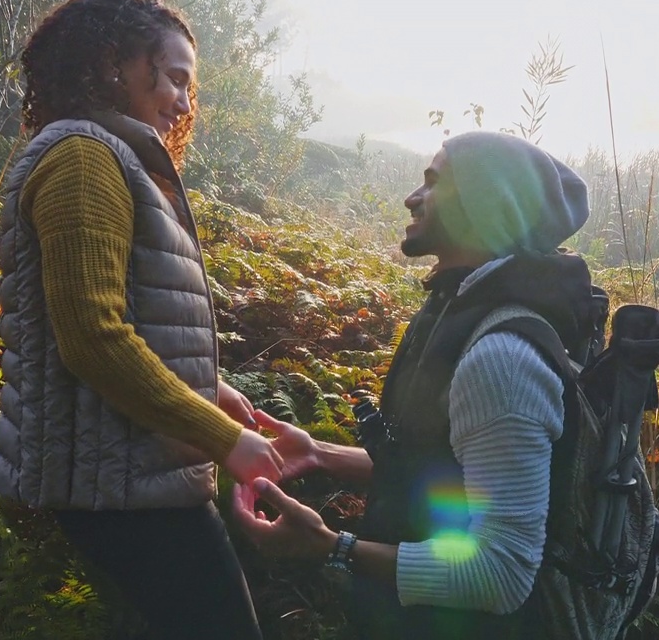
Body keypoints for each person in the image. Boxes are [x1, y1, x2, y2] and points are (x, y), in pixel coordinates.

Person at [0, 0, 283, 640]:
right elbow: (93, 341)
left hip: (125, 470)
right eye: (173, 78)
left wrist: (213, 394)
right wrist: (228, 443)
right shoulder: (85, 160)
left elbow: (137, 320)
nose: (183, 101)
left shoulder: (110, 157)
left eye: (188, 85)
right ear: (115, 63)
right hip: (115, 484)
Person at [234, 131, 598, 639]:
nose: (412, 197)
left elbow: (502, 574)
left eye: (434, 183)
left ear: (483, 202)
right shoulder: (460, 307)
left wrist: (331, 547)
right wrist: (319, 453)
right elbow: (442, 470)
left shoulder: (500, 359)